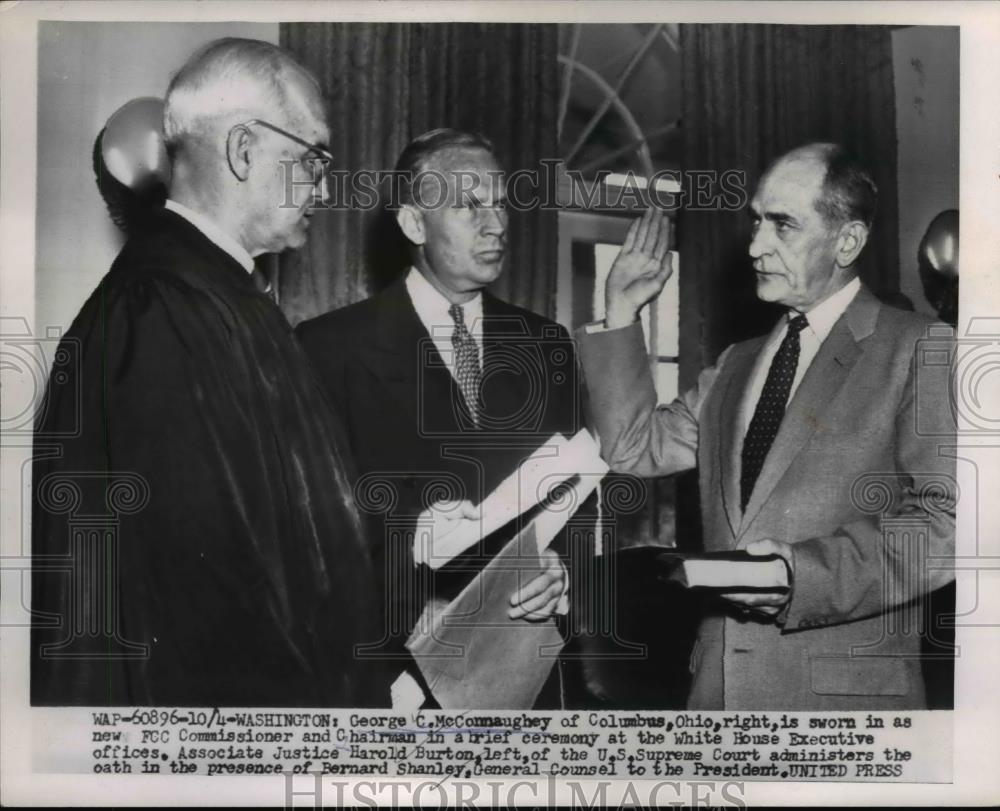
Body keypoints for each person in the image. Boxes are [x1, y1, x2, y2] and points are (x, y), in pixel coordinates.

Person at [31, 38, 385, 707]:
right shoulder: (160, 308)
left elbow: (282, 517)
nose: (327, 183)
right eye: (313, 155)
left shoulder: (223, 296)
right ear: (245, 149)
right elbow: (209, 599)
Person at [578, 143, 956, 710]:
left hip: (842, 711)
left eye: (784, 226)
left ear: (847, 241)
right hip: (717, 698)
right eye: (757, 220)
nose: (756, 246)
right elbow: (633, 448)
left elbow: (948, 526)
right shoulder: (736, 363)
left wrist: (801, 575)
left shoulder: (920, 349)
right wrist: (620, 315)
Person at [296, 129, 590, 708]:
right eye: (469, 205)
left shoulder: (545, 344)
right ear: (412, 224)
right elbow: (310, 524)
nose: (497, 224)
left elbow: (582, 502)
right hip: (392, 672)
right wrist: (412, 556)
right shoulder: (328, 348)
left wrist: (563, 573)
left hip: (524, 671)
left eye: (500, 202)